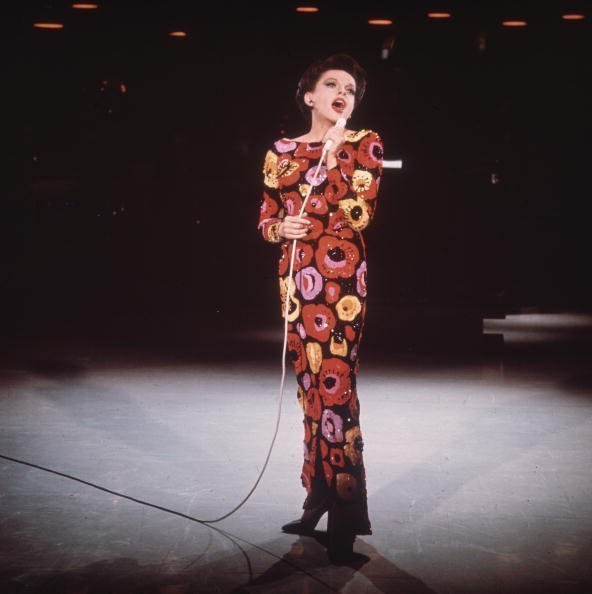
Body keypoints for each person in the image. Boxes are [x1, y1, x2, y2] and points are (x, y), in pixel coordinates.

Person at [257, 53, 384, 563]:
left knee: (336, 392)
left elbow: (361, 211)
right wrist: (276, 230)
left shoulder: (364, 143)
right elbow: (266, 214)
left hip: (340, 288)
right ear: (309, 96)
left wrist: (334, 154)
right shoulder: (280, 151)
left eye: (349, 90)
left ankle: (348, 516)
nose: (341, 94)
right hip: (295, 285)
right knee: (310, 395)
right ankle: (316, 498)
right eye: (332, 85)